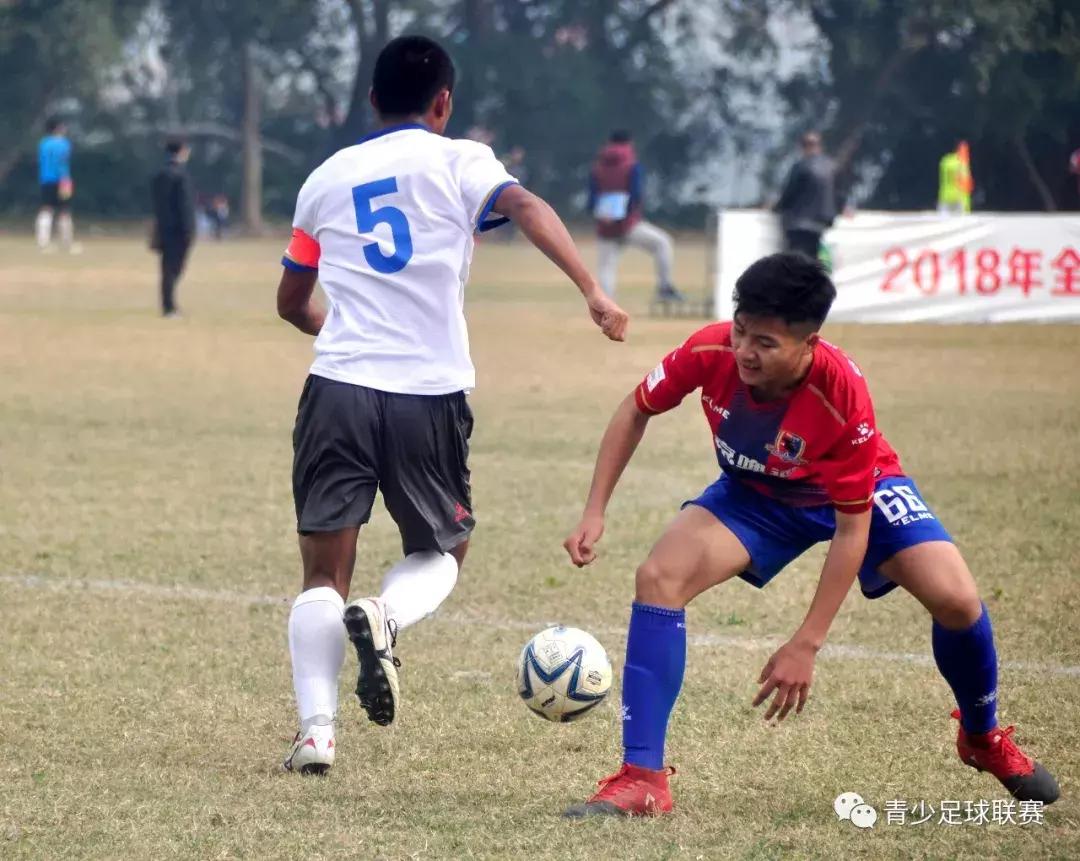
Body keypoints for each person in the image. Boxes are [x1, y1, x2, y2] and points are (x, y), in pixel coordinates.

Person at [561, 252, 1060, 817]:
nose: (745, 351)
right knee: (658, 578)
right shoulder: (710, 348)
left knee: (957, 600)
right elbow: (636, 408)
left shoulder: (841, 395)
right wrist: (595, 509)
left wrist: (807, 641)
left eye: (767, 343)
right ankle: (643, 778)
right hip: (757, 492)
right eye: (742, 330)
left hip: (854, 492)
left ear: (809, 343)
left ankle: (981, 737)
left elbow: (852, 529)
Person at [276, 35, 628, 776]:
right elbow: (524, 205)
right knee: (441, 550)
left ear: (371, 101)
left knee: (321, 573)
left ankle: (316, 733)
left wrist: (335, 330)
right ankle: (390, 615)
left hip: (339, 387)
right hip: (427, 393)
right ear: (444, 103)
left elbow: (291, 300)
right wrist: (591, 289)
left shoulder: (325, 178)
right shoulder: (460, 158)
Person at [589, 131, 682, 303]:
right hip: (629, 224)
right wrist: (624, 214)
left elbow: (592, 198)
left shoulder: (597, 168)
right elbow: (636, 194)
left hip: (605, 225)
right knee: (663, 243)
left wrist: (605, 215)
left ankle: (606, 304)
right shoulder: (632, 165)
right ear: (629, 143)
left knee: (606, 268)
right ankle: (664, 288)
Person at [151, 138, 196, 318]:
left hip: (163, 227)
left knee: (166, 268)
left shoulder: (159, 175)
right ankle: (169, 306)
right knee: (174, 268)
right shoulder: (181, 176)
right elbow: (184, 205)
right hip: (179, 229)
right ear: (182, 151)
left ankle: (168, 303)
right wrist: (189, 229)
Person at [774, 131, 835, 260]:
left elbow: (789, 193)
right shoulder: (830, 168)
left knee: (795, 264)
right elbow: (838, 194)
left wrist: (776, 207)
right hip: (819, 225)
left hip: (798, 225)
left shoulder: (801, 167)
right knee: (811, 263)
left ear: (803, 147)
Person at [36, 118, 79, 253]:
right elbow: (63, 161)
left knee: (46, 210)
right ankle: (67, 244)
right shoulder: (64, 144)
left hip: (46, 179)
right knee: (64, 211)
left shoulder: (43, 144)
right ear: (57, 128)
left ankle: (43, 243)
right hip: (63, 181)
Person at [938, 140, 973, 215]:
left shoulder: (945, 161)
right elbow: (965, 183)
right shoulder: (962, 163)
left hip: (945, 197)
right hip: (960, 199)